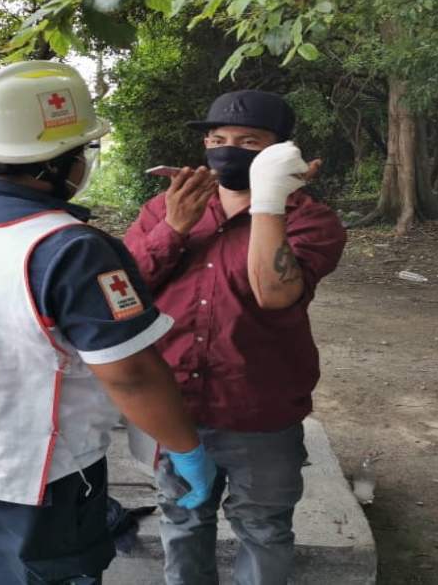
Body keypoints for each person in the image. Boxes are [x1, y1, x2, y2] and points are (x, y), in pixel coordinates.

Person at [0, 60, 219, 584]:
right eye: (82, 151)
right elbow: (129, 373)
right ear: (52, 166)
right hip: (33, 476)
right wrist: (185, 448)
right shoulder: (71, 249)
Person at [123, 89, 347, 585]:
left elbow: (275, 293)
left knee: (263, 529)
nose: (229, 149)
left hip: (258, 410)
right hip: (176, 406)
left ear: (279, 150)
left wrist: (269, 200)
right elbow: (122, 295)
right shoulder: (166, 207)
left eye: (249, 141)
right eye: (218, 138)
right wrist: (173, 230)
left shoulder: (311, 219)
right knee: (181, 520)